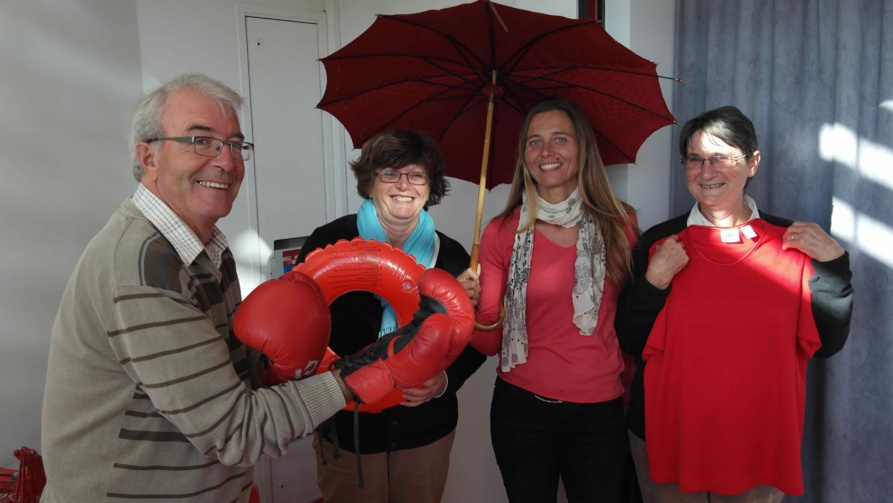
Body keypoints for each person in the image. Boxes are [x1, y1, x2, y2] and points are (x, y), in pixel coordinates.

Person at [40, 74, 443, 503]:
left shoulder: (207, 248)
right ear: (149, 156)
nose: (226, 161)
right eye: (200, 139)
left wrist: (270, 368)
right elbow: (236, 431)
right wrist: (365, 373)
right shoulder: (140, 267)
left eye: (236, 144)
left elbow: (231, 371)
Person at [615, 106, 854, 502]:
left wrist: (835, 269)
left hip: (758, 437)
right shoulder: (658, 243)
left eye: (722, 157)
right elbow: (629, 339)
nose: (707, 172)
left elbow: (827, 342)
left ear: (753, 162)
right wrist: (654, 284)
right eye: (695, 159)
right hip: (669, 431)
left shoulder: (793, 244)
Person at [297, 129, 486, 503]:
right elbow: (298, 329)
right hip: (348, 427)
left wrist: (445, 380)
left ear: (430, 188)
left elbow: (475, 343)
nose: (404, 185)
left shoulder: (453, 259)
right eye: (390, 173)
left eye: (417, 175)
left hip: (424, 430)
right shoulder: (330, 242)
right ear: (370, 182)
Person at [470, 97, 639, 503]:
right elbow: (490, 342)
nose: (546, 152)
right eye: (534, 142)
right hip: (520, 413)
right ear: (523, 156)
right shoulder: (500, 231)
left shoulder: (621, 224)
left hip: (599, 412)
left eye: (559, 139)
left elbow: (632, 325)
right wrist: (468, 306)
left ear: (581, 149)